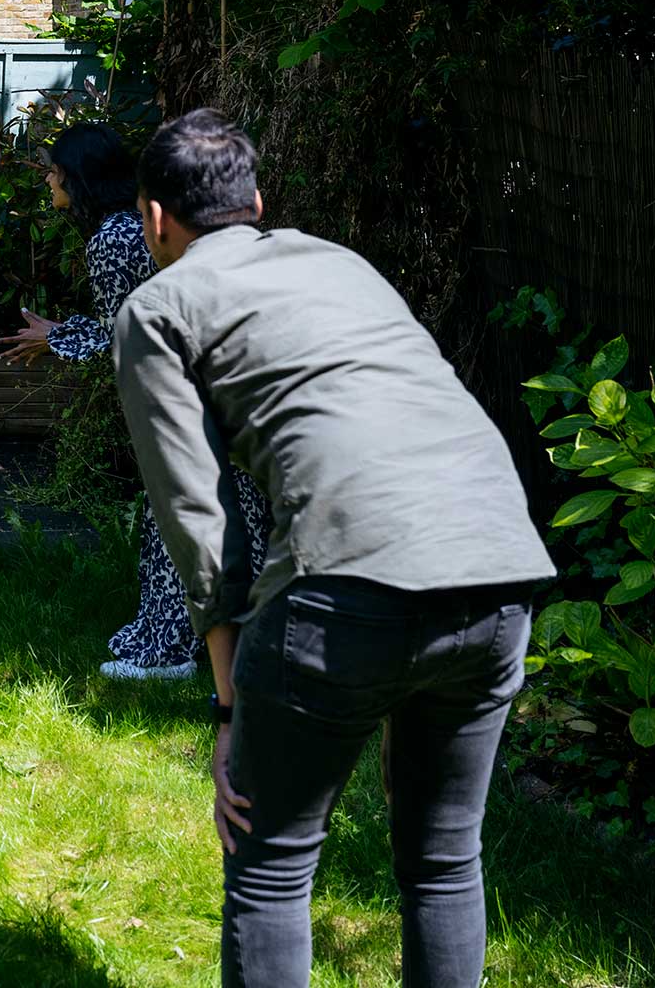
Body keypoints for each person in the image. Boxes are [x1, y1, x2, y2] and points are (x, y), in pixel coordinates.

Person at [112, 108, 555, 986]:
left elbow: (199, 521)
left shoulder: (158, 306)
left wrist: (230, 707)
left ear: (154, 218)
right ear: (258, 201)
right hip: (500, 571)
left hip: (345, 594)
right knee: (443, 858)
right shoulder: (339, 263)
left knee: (270, 864)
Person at [0, 122, 269, 681]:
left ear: (79, 177)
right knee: (232, 519)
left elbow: (130, 337)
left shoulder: (112, 239)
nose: (47, 179)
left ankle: (167, 653)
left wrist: (56, 340)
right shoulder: (127, 229)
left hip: (192, 399)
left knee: (180, 517)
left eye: (53, 170)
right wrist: (63, 331)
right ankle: (232, 647)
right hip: (226, 390)